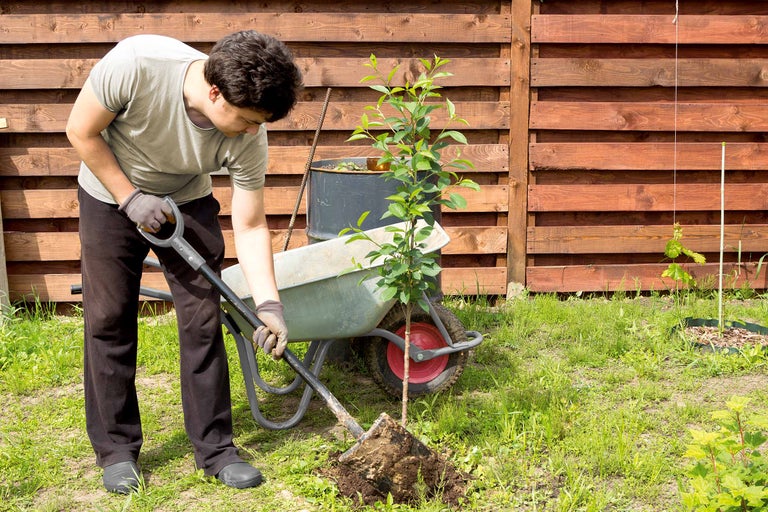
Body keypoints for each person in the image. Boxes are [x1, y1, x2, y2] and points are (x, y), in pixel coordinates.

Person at [65, 30, 303, 494]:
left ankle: (216, 449)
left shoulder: (250, 135)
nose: (253, 130)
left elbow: (251, 225)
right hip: (110, 192)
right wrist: (129, 197)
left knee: (201, 320)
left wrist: (270, 304)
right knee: (109, 317)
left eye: (260, 122)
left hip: (186, 200)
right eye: (248, 120)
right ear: (215, 93)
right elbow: (80, 129)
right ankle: (116, 450)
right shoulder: (137, 64)